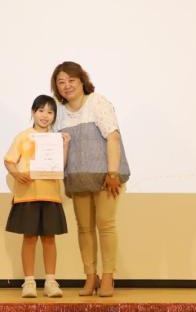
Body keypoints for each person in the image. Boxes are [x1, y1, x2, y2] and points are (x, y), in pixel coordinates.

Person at [51, 61, 130, 297]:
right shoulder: (58, 112)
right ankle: (90, 277)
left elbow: (113, 137)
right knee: (84, 228)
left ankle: (108, 277)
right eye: (61, 82)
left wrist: (113, 173)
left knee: (105, 225)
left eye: (71, 80)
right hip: (78, 178)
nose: (67, 86)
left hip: (106, 178)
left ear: (82, 81)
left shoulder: (97, 102)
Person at [4, 94, 71, 298]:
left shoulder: (56, 138)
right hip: (27, 195)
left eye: (50, 112)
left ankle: (50, 281)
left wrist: (65, 145)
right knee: (29, 238)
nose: (45, 115)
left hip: (50, 195)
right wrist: (16, 174)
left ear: (54, 116)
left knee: (49, 238)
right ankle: (29, 282)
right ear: (33, 112)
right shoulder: (23, 136)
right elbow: (9, 161)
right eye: (41, 110)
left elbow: (61, 165)